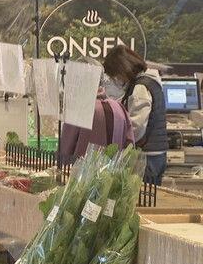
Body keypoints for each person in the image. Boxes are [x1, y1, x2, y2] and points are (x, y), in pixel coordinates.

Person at [104, 45, 168, 184]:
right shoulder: (150, 81)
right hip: (155, 155)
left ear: (122, 68)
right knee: (150, 200)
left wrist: (119, 144)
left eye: (115, 75)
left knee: (141, 201)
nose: (117, 79)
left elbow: (136, 128)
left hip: (146, 157)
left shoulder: (141, 87)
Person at [60, 57, 135, 158]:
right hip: (113, 173)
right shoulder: (120, 109)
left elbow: (65, 151)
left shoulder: (79, 109)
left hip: (79, 173)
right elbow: (129, 150)